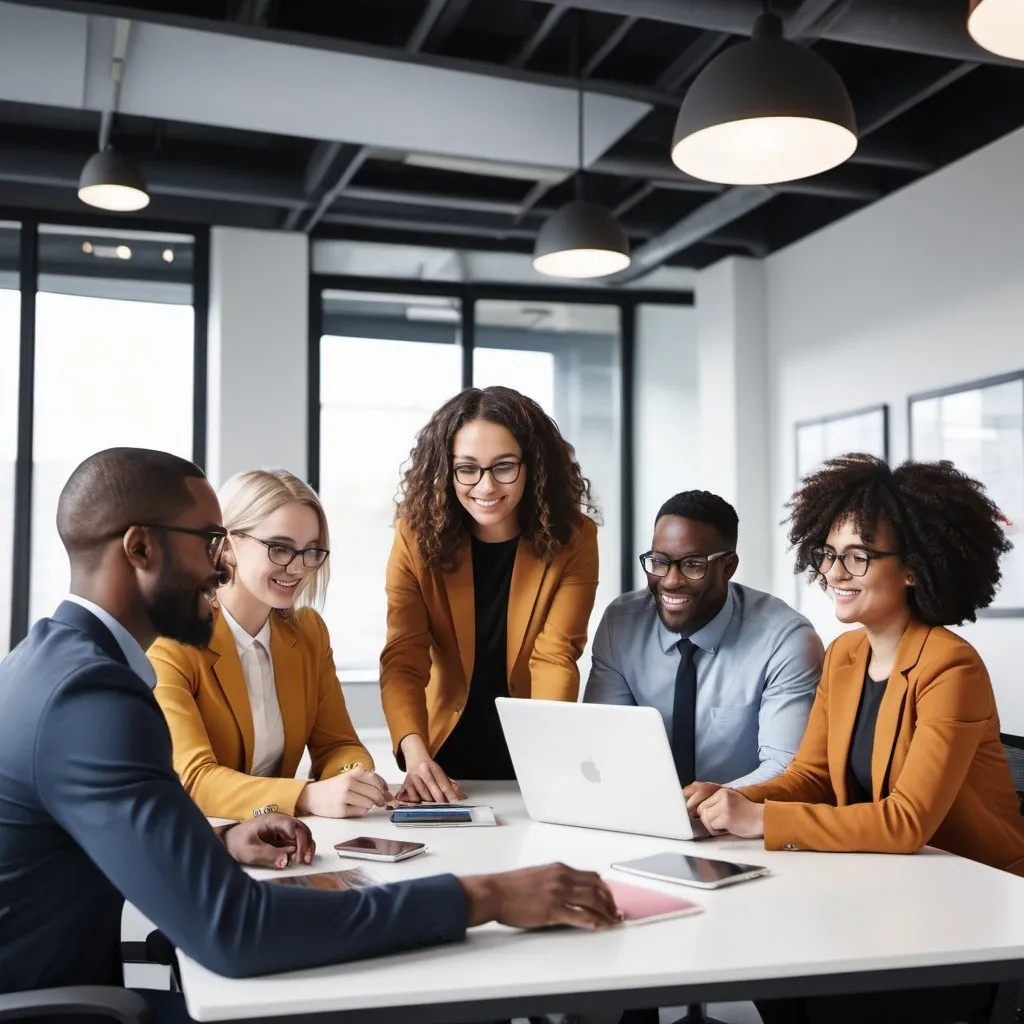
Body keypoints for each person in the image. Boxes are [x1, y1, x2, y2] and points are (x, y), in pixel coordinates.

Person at [0, 448, 621, 1022]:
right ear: (139, 549)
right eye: (211, 541)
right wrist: (484, 896)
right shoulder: (92, 698)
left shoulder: (52, 664)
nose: (220, 563)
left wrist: (223, 842)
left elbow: (108, 833)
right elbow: (237, 931)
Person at [688, 454, 1024, 1024]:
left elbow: (906, 821)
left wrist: (760, 822)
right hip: (887, 891)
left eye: (858, 556)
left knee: (822, 995)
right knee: (767, 958)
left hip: (971, 911)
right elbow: (813, 777)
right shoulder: (846, 654)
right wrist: (734, 801)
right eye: (828, 555)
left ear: (913, 568)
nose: (834, 573)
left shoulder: (951, 667)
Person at [380, 386, 600, 802]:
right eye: (467, 468)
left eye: (503, 467)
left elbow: (555, 655)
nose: (485, 485)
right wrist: (415, 755)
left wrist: (549, 757)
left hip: (534, 748)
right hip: (440, 753)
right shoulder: (414, 538)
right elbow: (404, 657)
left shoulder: (574, 539)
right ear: (446, 470)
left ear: (532, 466)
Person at [150, 468, 388, 821]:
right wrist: (306, 796)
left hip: (286, 839)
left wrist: (352, 778)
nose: (298, 568)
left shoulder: (309, 632)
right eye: (280, 548)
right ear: (227, 545)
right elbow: (194, 779)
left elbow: (339, 745)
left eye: (311, 552)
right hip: (203, 839)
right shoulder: (172, 639)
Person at [585, 490, 823, 792]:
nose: (670, 581)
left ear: (728, 567)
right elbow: (604, 741)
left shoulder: (786, 641)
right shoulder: (621, 625)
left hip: (739, 828)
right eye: (659, 562)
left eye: (692, 564)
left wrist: (718, 799)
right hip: (641, 812)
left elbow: (787, 768)